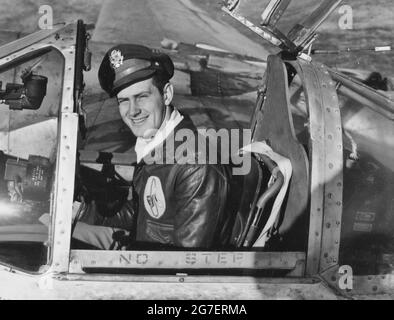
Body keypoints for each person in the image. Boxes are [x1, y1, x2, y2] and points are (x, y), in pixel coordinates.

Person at [72, 44, 233, 249]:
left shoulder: (195, 166)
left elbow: (184, 266)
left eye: (141, 97)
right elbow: (145, 215)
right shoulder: (157, 144)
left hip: (155, 273)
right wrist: (83, 209)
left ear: (166, 94)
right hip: (143, 253)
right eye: (124, 101)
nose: (132, 111)